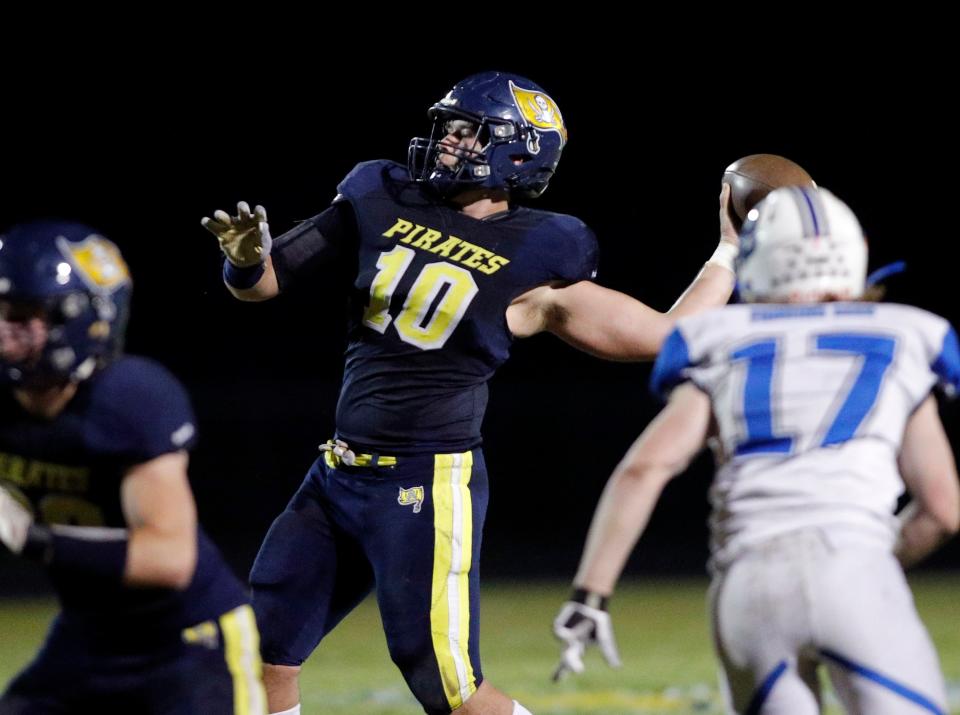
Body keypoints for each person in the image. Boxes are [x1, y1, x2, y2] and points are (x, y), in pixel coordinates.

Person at [203, 71, 738, 715]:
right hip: (338, 474)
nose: (447, 142)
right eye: (449, 127)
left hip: (425, 484)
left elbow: (668, 334)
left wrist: (729, 252)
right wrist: (241, 259)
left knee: (450, 691)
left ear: (518, 151)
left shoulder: (540, 250)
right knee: (260, 657)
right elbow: (264, 284)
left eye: (467, 131)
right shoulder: (380, 195)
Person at [553, 185, 960, 714]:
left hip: (750, 585)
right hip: (855, 568)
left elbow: (645, 468)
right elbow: (943, 510)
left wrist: (591, 593)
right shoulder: (906, 335)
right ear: (855, 252)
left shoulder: (721, 338)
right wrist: (875, 561)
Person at [0, 221, 266, 714]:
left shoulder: (129, 399)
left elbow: (169, 558)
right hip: (88, 635)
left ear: (82, 320)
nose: (4, 330)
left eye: (20, 315)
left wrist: (31, 538)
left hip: (187, 643)